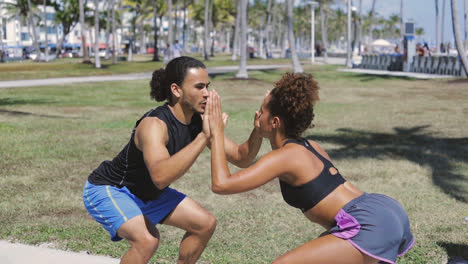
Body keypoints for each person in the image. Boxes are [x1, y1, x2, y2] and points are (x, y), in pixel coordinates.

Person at [206, 72, 414, 264]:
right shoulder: (310, 146)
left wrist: (216, 132)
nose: (257, 115)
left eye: (261, 112)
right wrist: (259, 127)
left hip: (367, 223)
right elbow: (244, 156)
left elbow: (221, 184)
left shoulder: (285, 156)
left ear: (275, 122)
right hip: (382, 209)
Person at [83, 56, 263, 264]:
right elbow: (160, 177)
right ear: (177, 90)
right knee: (147, 241)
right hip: (110, 188)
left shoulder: (197, 121)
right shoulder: (154, 124)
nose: (207, 93)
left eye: (208, 86)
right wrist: (205, 136)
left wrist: (257, 131)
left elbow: (242, 158)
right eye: (199, 87)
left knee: (204, 223)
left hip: (147, 193)